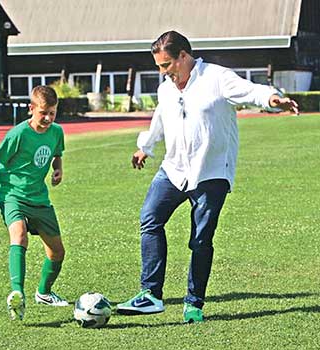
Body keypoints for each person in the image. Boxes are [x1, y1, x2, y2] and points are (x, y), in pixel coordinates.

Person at [116, 31, 299, 323]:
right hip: (173, 169)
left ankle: (193, 303)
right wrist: (144, 148)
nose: (164, 73)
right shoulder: (167, 88)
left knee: (200, 240)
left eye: (167, 65)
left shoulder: (216, 77)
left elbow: (250, 91)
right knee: (150, 219)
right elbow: (160, 119)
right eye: (160, 67)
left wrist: (273, 99)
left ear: (184, 57)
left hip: (212, 173)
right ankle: (150, 295)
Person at [0, 85, 69, 321]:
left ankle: (44, 293)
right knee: (19, 237)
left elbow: (57, 154)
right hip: (12, 194)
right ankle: (17, 293)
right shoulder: (18, 134)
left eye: (52, 113)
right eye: (43, 113)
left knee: (57, 252)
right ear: (31, 109)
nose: (47, 118)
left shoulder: (56, 131)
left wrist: (58, 170)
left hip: (38, 196)